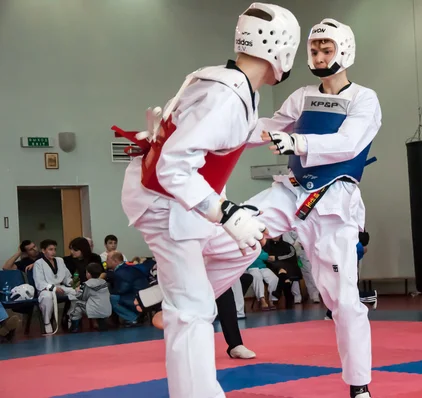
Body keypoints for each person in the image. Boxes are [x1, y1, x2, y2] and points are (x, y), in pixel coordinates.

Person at [114, 4, 301, 397]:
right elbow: (173, 167)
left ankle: (166, 298)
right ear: (282, 49)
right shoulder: (225, 95)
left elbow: (241, 131)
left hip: (187, 203)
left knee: (246, 245)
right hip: (166, 205)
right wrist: (228, 214)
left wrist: (293, 119)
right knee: (194, 312)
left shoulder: (232, 85)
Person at [242, 18, 381, 398]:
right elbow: (271, 126)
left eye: (327, 50)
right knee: (237, 223)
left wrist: (297, 143)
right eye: (314, 51)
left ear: (345, 51)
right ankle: (182, 299)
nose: (319, 57)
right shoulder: (302, 95)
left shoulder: (363, 98)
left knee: (343, 302)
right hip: (290, 190)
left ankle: (359, 385)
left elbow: (349, 143)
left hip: (333, 202)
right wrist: (225, 127)